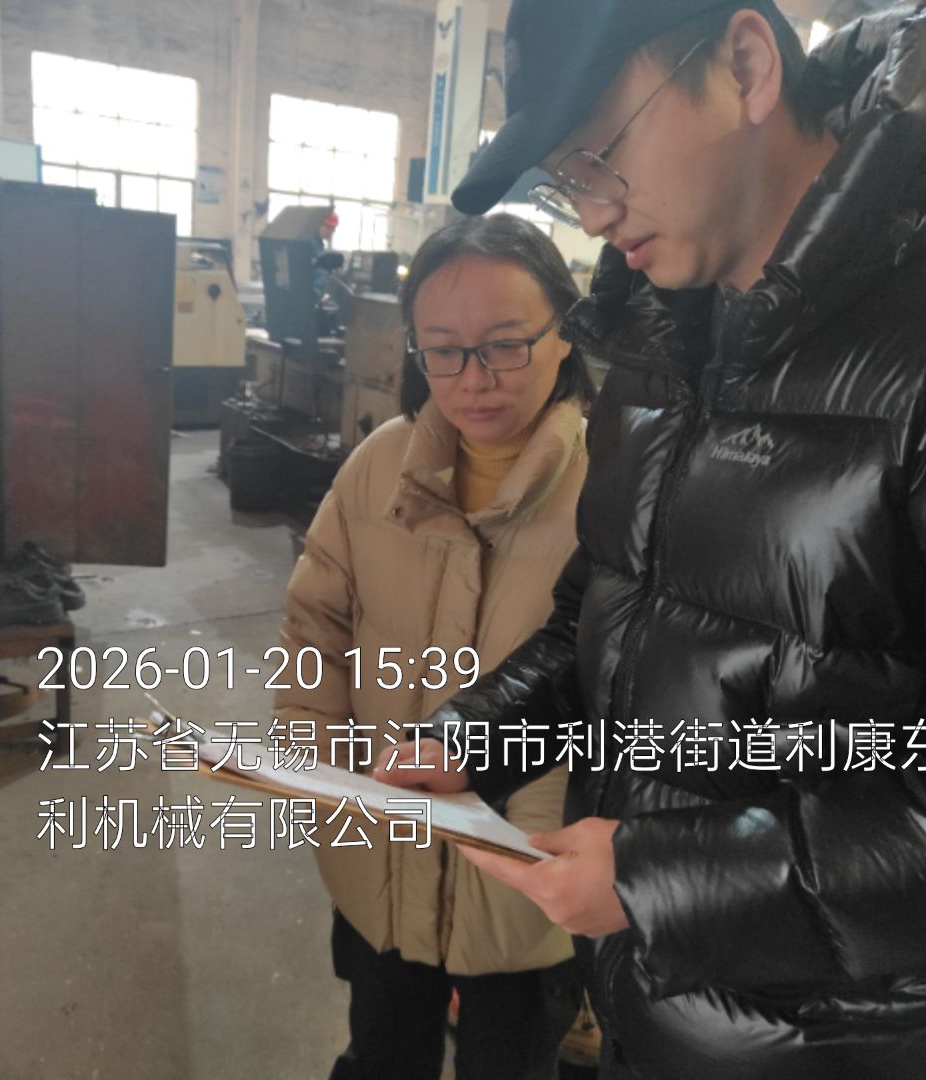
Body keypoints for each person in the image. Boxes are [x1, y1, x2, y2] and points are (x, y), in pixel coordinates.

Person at [376, 2, 926, 1078]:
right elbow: (604, 613)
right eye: (565, 183)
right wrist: (477, 736)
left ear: (746, 66)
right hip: (670, 1009)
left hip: (901, 1047)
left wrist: (666, 879)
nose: (594, 212)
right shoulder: (664, 342)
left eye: (602, 154)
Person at [274, 212, 596, 1080]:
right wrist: (321, 771)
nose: (473, 380)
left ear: (565, 332)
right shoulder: (378, 469)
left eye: (505, 345)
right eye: (443, 351)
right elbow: (314, 627)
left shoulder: (616, 489)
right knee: (382, 1053)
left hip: (526, 880)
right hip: (378, 853)